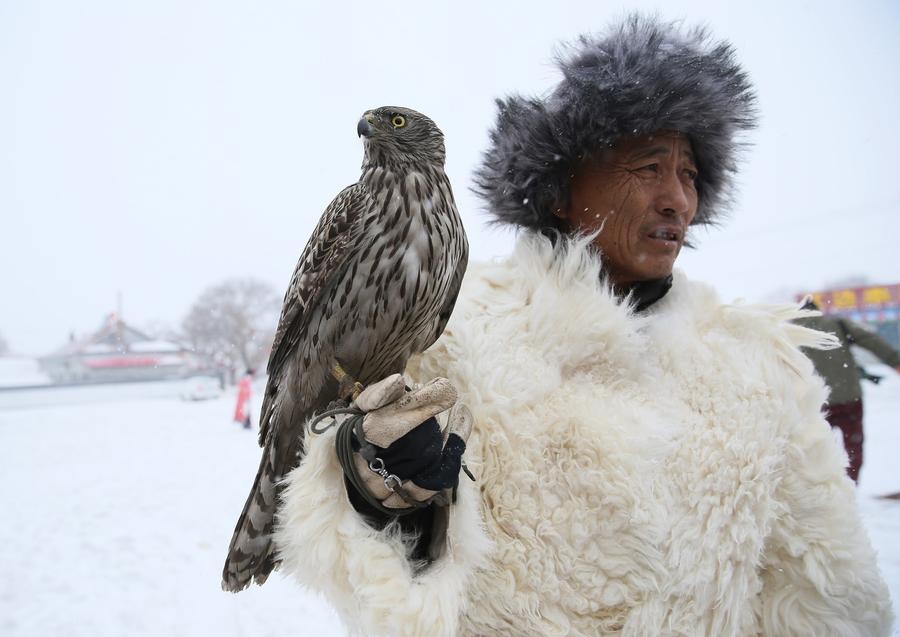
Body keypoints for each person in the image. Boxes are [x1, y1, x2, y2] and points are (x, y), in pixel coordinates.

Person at [272, 15, 894, 636]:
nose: (677, 198)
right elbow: (391, 587)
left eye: (690, 175)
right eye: (649, 167)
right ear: (561, 189)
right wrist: (378, 490)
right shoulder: (457, 338)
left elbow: (826, 599)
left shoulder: (758, 370)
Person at [795, 300, 900, 483]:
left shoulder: (792, 332)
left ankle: (818, 489)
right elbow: (872, 341)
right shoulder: (838, 324)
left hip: (813, 403)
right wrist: (895, 361)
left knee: (812, 450)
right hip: (848, 398)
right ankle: (851, 485)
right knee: (853, 446)